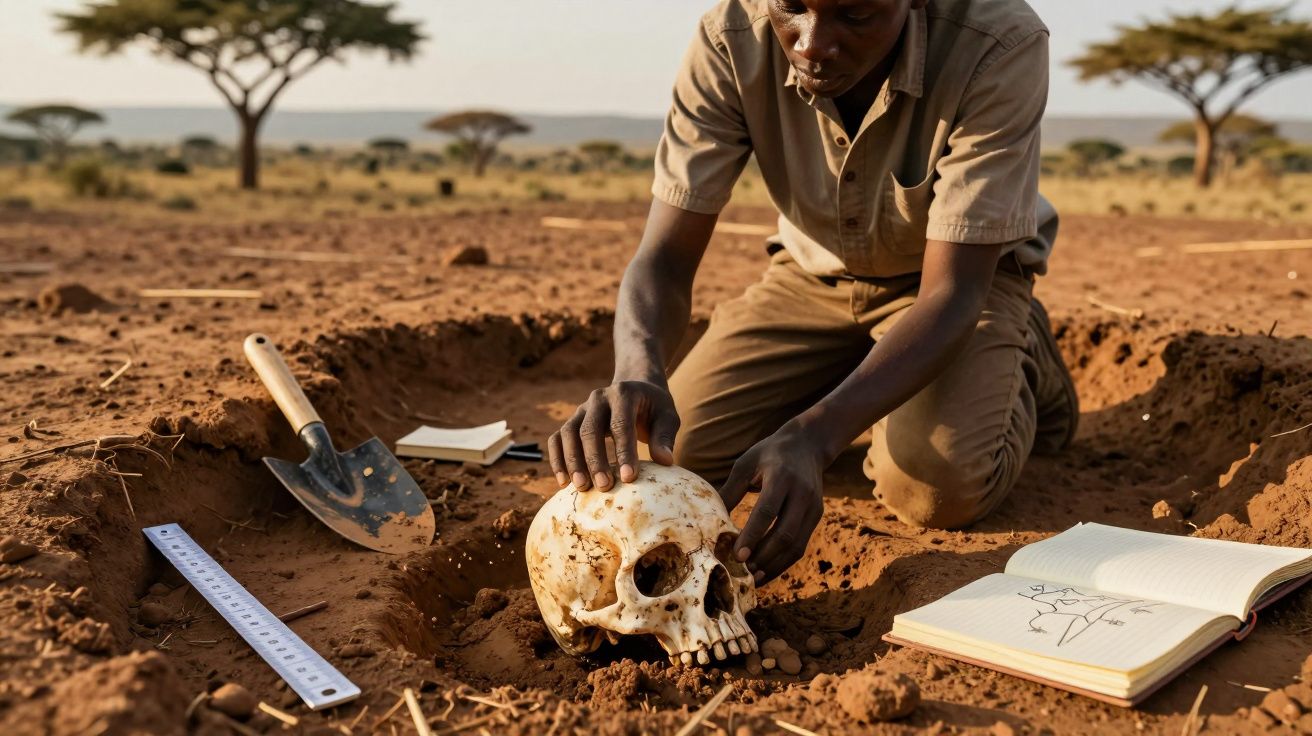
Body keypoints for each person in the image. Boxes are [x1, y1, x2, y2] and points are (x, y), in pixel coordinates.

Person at [548, 0, 1076, 586]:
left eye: (854, 16)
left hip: (955, 283)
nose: (811, 45)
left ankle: (1023, 357)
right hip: (812, 276)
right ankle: (861, 380)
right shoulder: (730, 37)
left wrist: (815, 436)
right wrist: (638, 372)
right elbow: (666, 258)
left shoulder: (998, 41)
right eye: (792, 7)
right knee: (685, 453)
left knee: (934, 491)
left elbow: (952, 294)